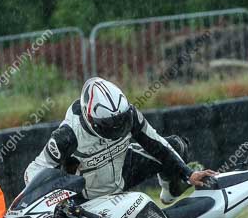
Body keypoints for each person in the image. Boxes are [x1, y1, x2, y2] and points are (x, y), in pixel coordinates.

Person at [24, 77, 218, 202]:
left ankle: (168, 195)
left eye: (121, 121)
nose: (117, 128)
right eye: (110, 124)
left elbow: (156, 143)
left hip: (123, 173)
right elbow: (33, 171)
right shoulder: (68, 134)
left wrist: (188, 173)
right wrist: (57, 201)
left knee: (177, 145)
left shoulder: (130, 114)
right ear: (89, 117)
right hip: (85, 198)